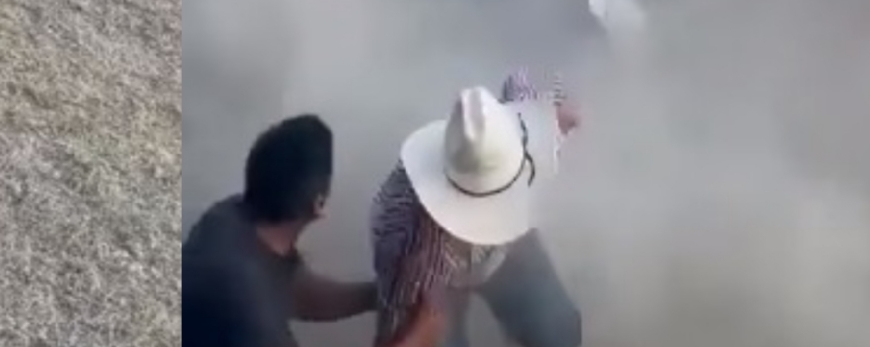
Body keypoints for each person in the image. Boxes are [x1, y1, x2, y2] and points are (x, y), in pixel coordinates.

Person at [370, 75, 581, 347]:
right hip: (436, 285)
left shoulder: (519, 138)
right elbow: (392, 339)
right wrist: (421, 332)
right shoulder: (408, 244)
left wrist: (560, 113)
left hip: (506, 252)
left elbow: (519, 81)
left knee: (561, 330)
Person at [182, 114, 384, 347]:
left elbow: (295, 292)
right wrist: (418, 334)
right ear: (318, 205)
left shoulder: (226, 216)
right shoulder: (255, 321)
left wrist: (374, 296)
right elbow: (261, 303)